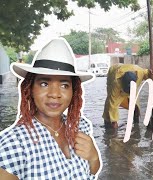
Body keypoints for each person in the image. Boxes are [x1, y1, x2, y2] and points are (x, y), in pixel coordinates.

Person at [0, 38, 102, 179]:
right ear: (30, 89)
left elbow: (91, 172)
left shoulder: (79, 126)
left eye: (64, 85)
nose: (55, 94)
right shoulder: (13, 145)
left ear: (74, 92)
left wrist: (94, 157)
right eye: (44, 83)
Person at [102, 63, 153, 129]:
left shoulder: (140, 72)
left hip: (129, 73)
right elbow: (113, 105)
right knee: (109, 106)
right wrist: (114, 122)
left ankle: (136, 123)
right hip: (113, 73)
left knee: (136, 106)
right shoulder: (116, 84)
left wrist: (151, 73)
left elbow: (147, 73)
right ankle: (108, 122)